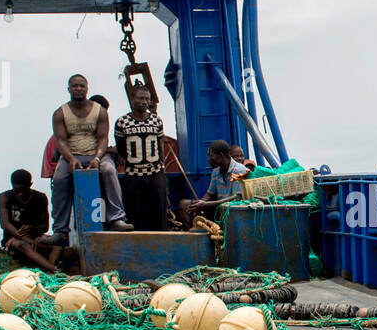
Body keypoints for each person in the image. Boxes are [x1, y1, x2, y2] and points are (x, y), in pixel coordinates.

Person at [39, 73, 133, 245]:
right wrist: (70, 158)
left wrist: (97, 158)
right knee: (60, 178)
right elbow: (60, 140)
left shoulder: (100, 111)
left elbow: (103, 138)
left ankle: (116, 219)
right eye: (75, 86)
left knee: (109, 170)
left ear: (87, 88)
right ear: (69, 89)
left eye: (82, 86)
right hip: (71, 155)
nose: (78, 89)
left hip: (96, 154)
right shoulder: (60, 113)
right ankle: (60, 230)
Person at [114, 85, 170, 231]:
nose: (144, 102)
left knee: (159, 212)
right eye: (140, 98)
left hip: (155, 172)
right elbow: (121, 148)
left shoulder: (156, 121)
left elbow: (160, 146)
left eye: (147, 99)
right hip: (133, 175)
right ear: (132, 99)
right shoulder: (122, 122)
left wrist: (162, 169)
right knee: (133, 212)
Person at [0, 169, 58, 272]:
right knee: (22, 245)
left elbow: (45, 226)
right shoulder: (4, 197)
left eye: (23, 191)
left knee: (59, 242)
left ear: (30, 185)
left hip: (35, 236)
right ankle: (54, 269)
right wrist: (24, 237)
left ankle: (48, 267)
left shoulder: (41, 198)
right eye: (17, 191)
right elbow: (5, 224)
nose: (20, 194)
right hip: (13, 239)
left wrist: (32, 229)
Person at [178, 139, 247, 223]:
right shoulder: (216, 171)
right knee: (184, 205)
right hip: (219, 208)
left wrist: (205, 205)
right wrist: (200, 203)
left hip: (234, 209)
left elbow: (236, 198)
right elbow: (210, 193)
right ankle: (194, 234)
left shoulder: (239, 170)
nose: (208, 159)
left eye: (210, 155)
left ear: (221, 155)